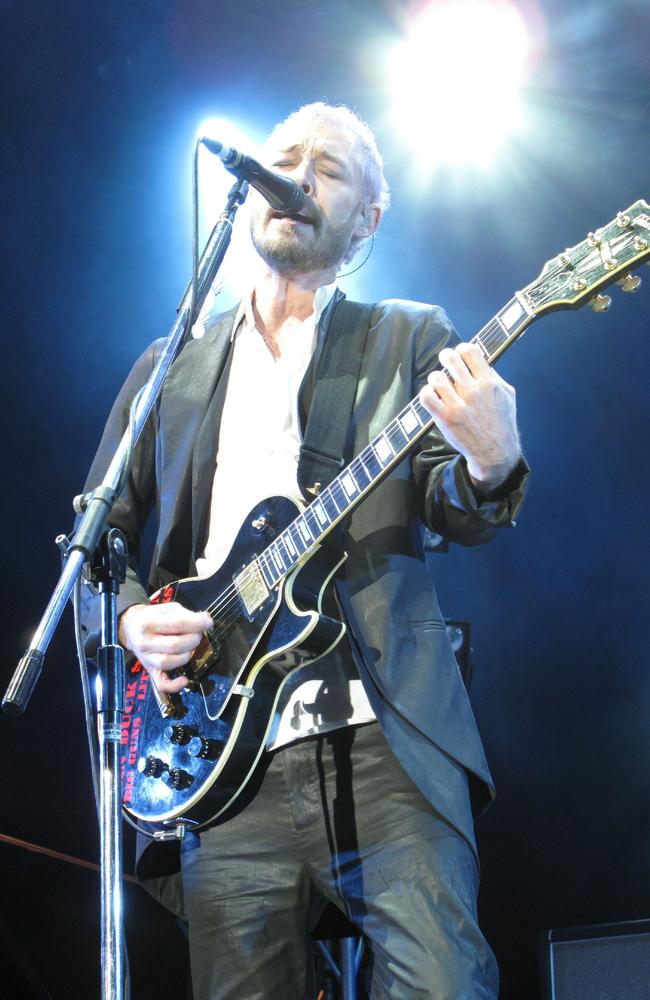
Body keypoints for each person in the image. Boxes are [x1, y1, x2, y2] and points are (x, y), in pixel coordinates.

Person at [81, 101, 528, 999]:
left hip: (385, 738)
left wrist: (492, 456)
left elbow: (456, 506)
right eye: (283, 158)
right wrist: (131, 618)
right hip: (217, 759)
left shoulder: (406, 337)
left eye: (326, 167)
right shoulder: (170, 366)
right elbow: (103, 534)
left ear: (367, 217)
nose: (296, 173)